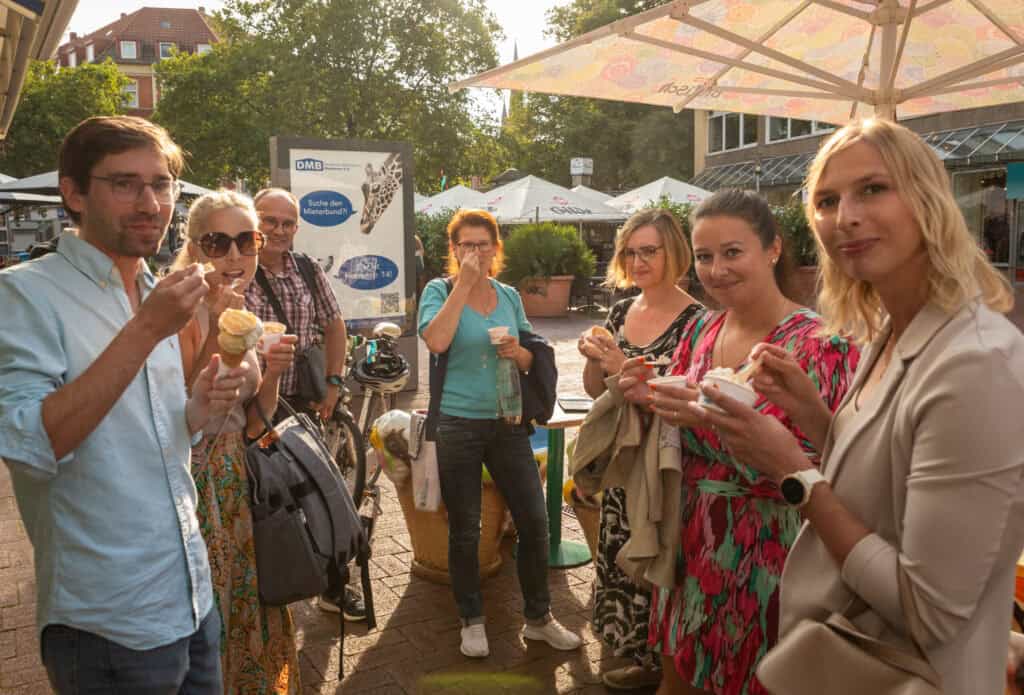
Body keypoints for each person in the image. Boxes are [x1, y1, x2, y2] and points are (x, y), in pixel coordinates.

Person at [693, 119, 1024, 695]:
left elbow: (928, 611)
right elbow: (884, 486)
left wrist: (792, 474)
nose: (843, 216)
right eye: (826, 199)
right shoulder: (889, 336)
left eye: (873, 188)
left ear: (927, 198)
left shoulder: (976, 363)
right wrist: (814, 414)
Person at [0, 116, 247, 693]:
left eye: (161, 185)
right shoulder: (24, 294)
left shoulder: (153, 289)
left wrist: (200, 403)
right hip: (107, 622)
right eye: (124, 184)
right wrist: (146, 330)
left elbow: (165, 433)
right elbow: (31, 444)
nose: (151, 203)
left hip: (190, 594)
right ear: (74, 192)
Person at [617, 189, 859, 695]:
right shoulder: (703, 330)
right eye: (704, 256)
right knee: (678, 679)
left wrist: (700, 422)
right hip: (690, 542)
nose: (716, 269)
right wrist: (647, 396)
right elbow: (679, 417)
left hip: (769, 554)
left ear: (772, 249)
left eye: (732, 252)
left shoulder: (818, 343)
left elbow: (834, 465)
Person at [418, 209, 582, 659]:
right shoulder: (439, 290)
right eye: (466, 245)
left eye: (483, 244)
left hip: (508, 423)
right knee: (466, 529)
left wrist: (521, 356)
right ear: (453, 251)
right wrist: (464, 287)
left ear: (496, 249)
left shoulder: (509, 296)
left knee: (534, 520)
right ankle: (471, 619)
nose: (475, 252)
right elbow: (436, 341)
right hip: (457, 423)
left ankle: (539, 618)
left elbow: (533, 351)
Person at [172, 190, 301, 693]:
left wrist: (271, 374)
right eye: (217, 242)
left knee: (247, 608)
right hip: (193, 482)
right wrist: (213, 328)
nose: (233, 256)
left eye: (246, 242)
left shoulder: (244, 310)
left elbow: (255, 422)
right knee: (208, 616)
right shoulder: (176, 309)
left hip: (238, 481)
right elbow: (173, 410)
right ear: (195, 246)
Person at [576, 208, 702, 691]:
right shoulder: (620, 311)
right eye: (630, 251)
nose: (638, 260)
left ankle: (666, 668)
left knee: (659, 564)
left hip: (664, 468)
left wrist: (621, 362)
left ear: (675, 252)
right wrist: (596, 360)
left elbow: (683, 402)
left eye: (649, 250)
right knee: (620, 561)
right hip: (622, 467)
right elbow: (598, 393)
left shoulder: (698, 320)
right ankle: (643, 662)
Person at [242, 187, 363, 621]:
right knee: (266, 504)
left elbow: (334, 325)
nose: (278, 230)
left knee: (320, 496)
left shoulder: (308, 269)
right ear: (252, 222)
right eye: (268, 220)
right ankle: (270, 588)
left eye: (287, 223)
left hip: (300, 403)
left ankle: (334, 586)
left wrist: (333, 383)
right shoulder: (236, 269)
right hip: (250, 408)